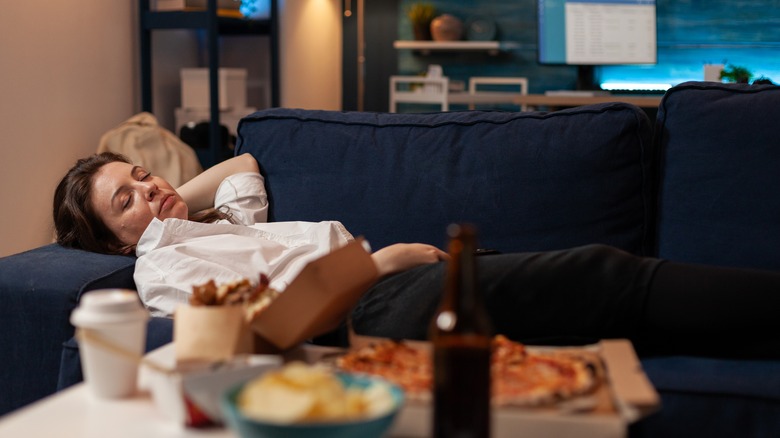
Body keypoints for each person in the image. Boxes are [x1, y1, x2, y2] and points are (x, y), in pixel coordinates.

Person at [54, 152, 780, 359]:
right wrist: (382, 263)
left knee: (595, 302)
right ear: (114, 243)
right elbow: (265, 328)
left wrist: (169, 193)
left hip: (393, 287)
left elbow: (241, 163)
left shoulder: (209, 225)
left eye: (141, 174)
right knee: (599, 272)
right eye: (126, 202)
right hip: (365, 310)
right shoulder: (161, 267)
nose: (148, 192)